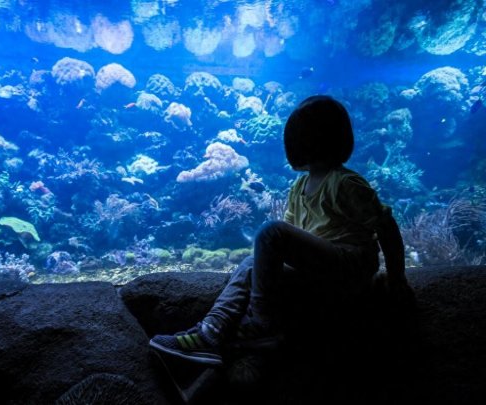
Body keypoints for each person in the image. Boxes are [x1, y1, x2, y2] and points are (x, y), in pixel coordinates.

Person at [149, 95, 411, 366]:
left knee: (271, 232)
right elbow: (293, 247)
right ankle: (211, 331)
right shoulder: (298, 187)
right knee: (250, 262)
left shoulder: (344, 183)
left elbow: (385, 225)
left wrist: (397, 278)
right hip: (316, 273)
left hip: (349, 267)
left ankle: (263, 324)